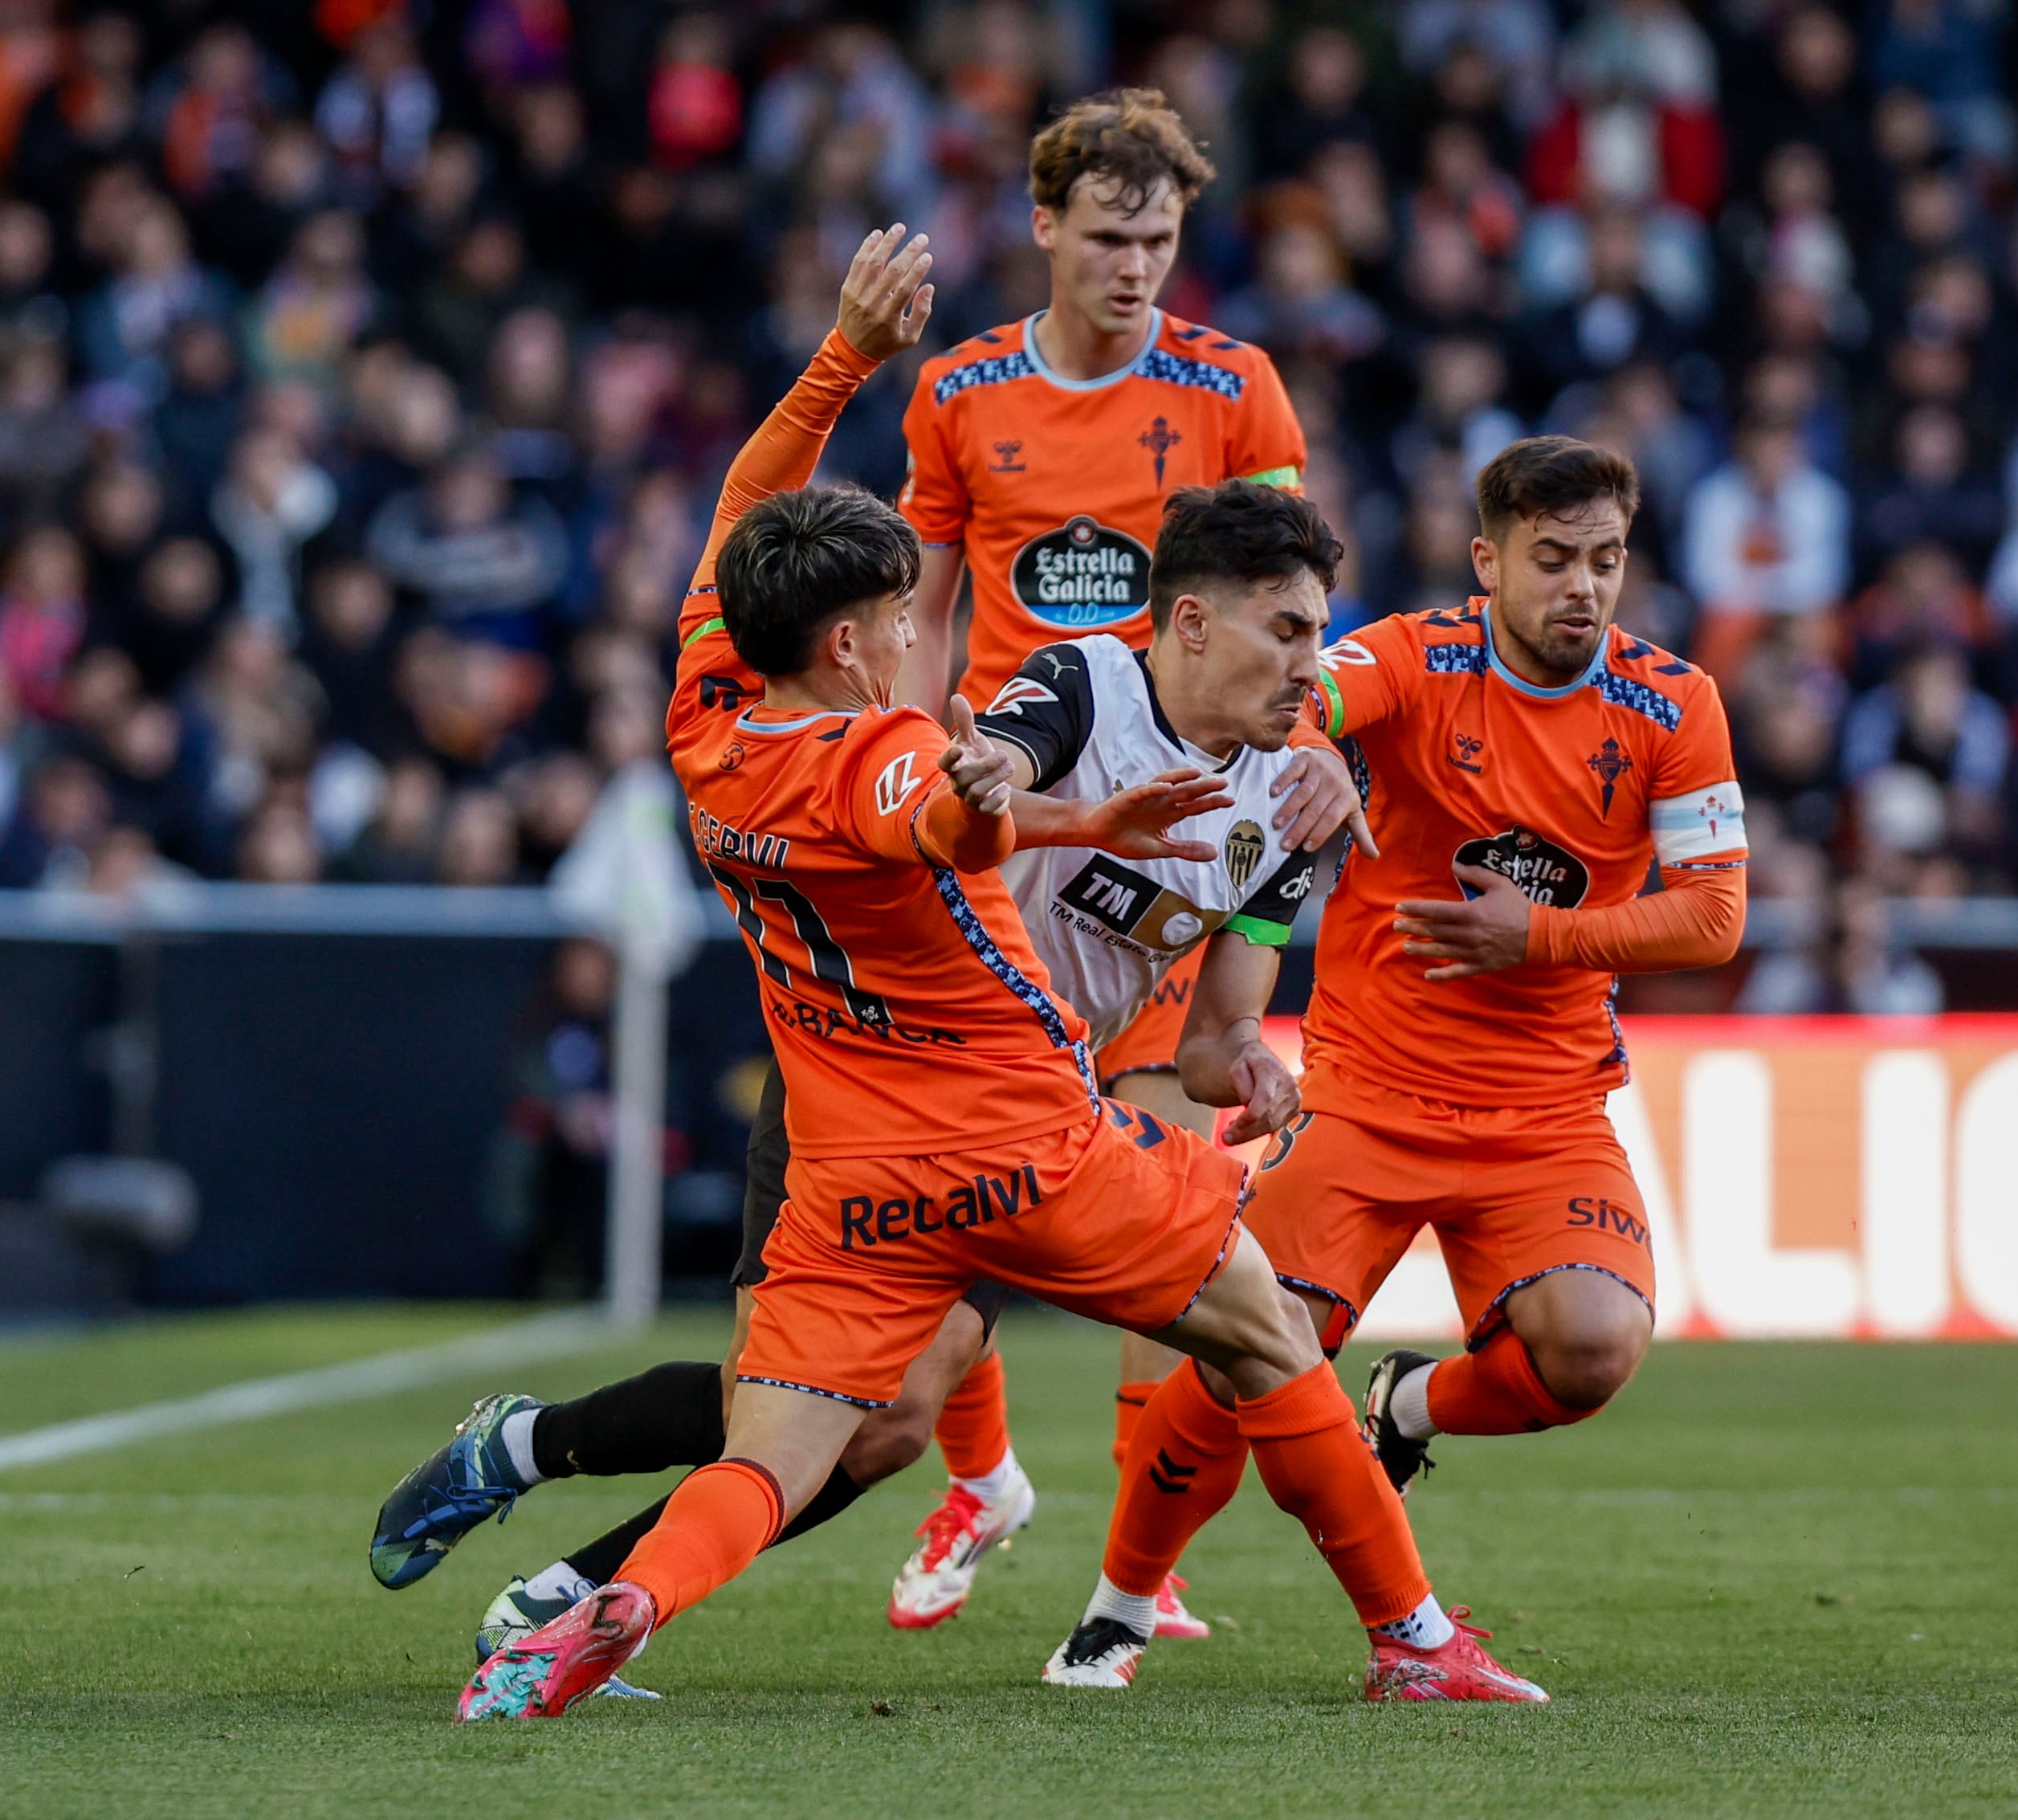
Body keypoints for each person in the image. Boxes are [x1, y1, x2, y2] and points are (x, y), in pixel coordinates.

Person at [450, 225, 1538, 1719]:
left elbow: (742, 502)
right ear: (846, 644)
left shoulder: (706, 708)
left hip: (855, 1155)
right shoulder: (917, 739)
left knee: (786, 1449)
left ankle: (614, 1607)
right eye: (899, 617)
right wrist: (1070, 805)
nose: (921, 633)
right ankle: (1413, 1639)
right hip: (1022, 1125)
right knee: (1260, 1329)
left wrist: (844, 353)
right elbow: (957, 799)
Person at [1038, 435, 1751, 1687]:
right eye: (1552, 559)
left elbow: (1715, 915)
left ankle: (1405, 1406)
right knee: (1241, 1350)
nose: (1582, 587)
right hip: (1369, 1091)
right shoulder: (1416, 658)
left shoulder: (1673, 703)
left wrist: (1536, 936)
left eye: (1606, 559)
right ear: (1489, 562)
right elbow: (1316, 685)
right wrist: (1311, 742)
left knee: (1589, 1351)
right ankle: (1121, 1603)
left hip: (1547, 1108)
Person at [883, 85, 1331, 1629]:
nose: (1140, 264)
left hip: (1172, 837)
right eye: (1112, 236)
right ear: (1046, 227)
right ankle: (979, 1464)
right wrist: (899, 748)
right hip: (1011, 823)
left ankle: (1146, 1559)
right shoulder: (957, 391)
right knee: (945, 1228)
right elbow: (922, 594)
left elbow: (1293, 587)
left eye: (1162, 236)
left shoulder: (1234, 385)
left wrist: (1312, 731)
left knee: (1173, 1204)